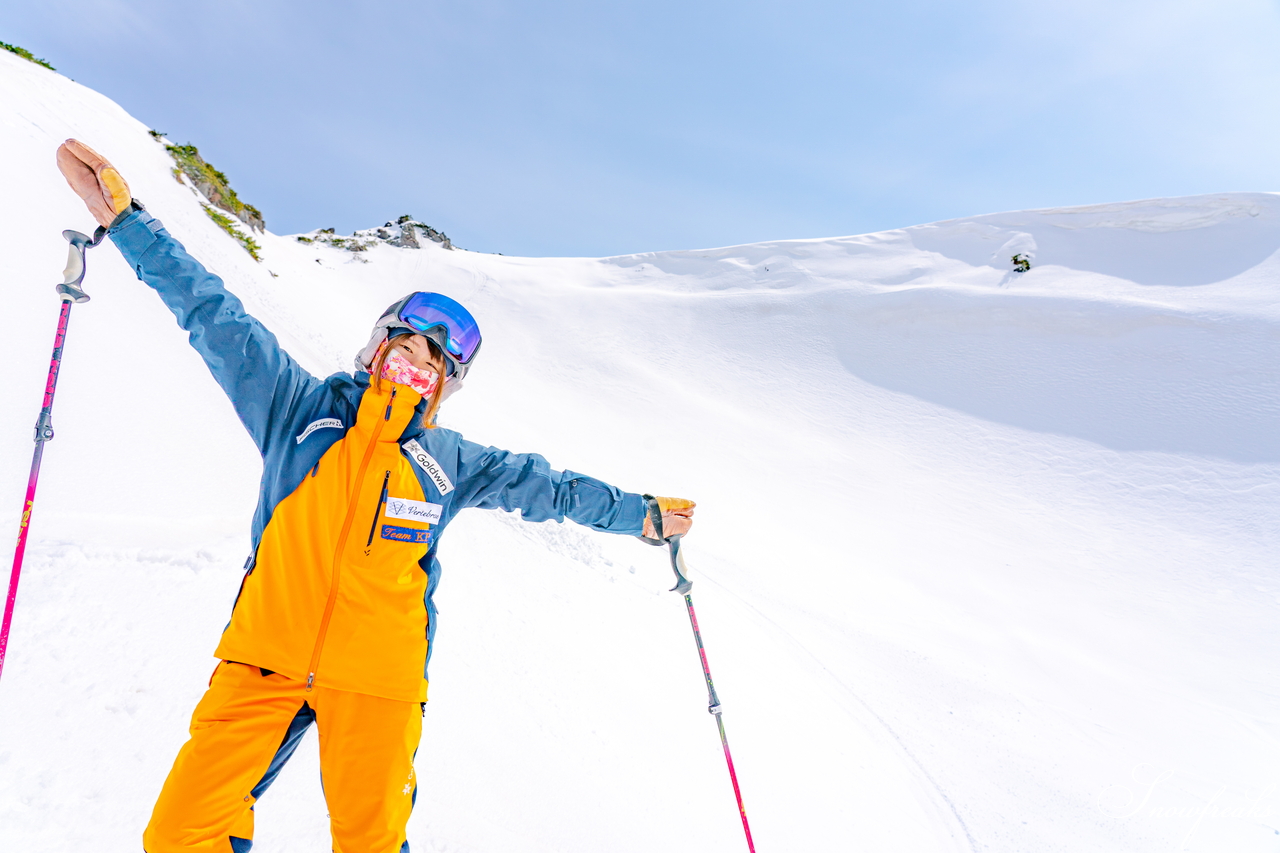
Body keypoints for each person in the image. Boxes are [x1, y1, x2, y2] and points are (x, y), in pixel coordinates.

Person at [56, 139, 695, 853]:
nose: (416, 359)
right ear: (375, 347)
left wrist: (640, 513)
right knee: (180, 833)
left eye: (435, 359)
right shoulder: (297, 407)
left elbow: (547, 487)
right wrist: (128, 220)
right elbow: (213, 313)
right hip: (263, 661)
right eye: (407, 341)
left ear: (446, 385)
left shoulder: (447, 460)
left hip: (378, 686)